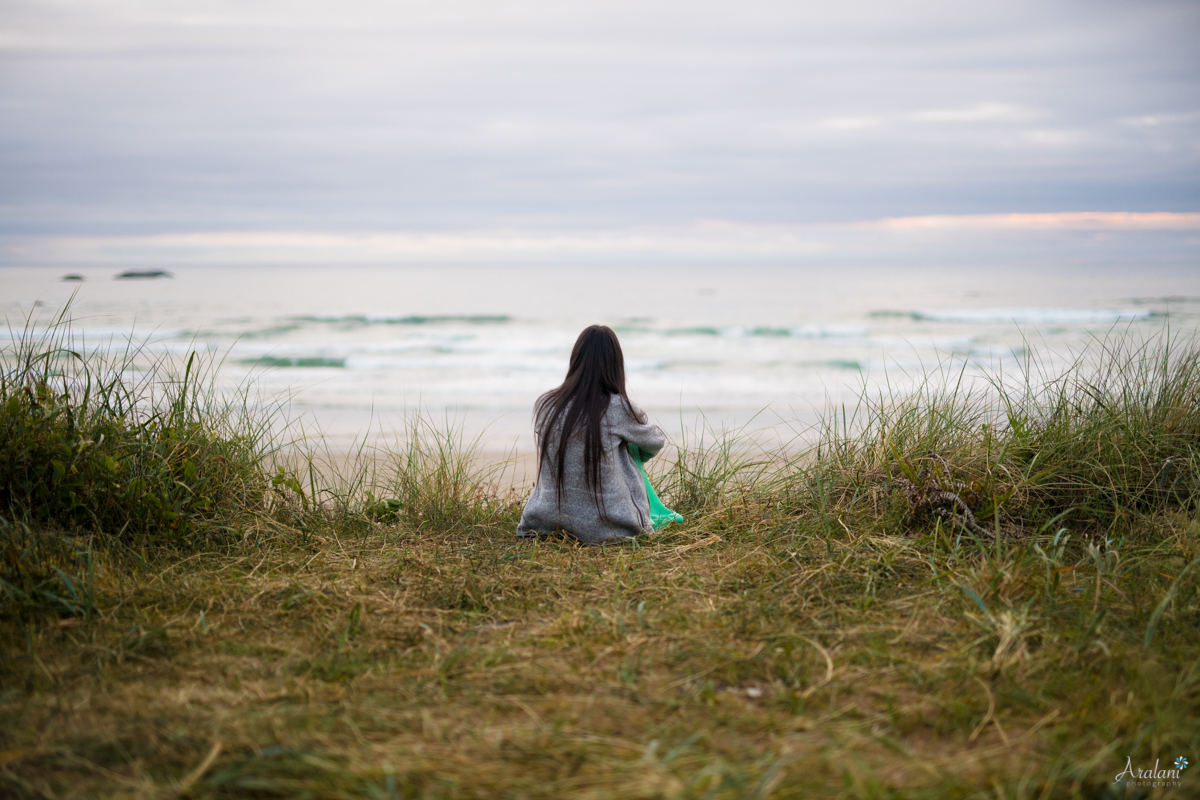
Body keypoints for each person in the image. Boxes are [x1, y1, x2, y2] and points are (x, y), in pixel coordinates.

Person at [517, 325, 666, 544]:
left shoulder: (546, 404)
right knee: (630, 445)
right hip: (611, 526)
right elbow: (656, 442)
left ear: (576, 360)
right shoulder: (619, 408)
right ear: (615, 364)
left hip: (542, 521)